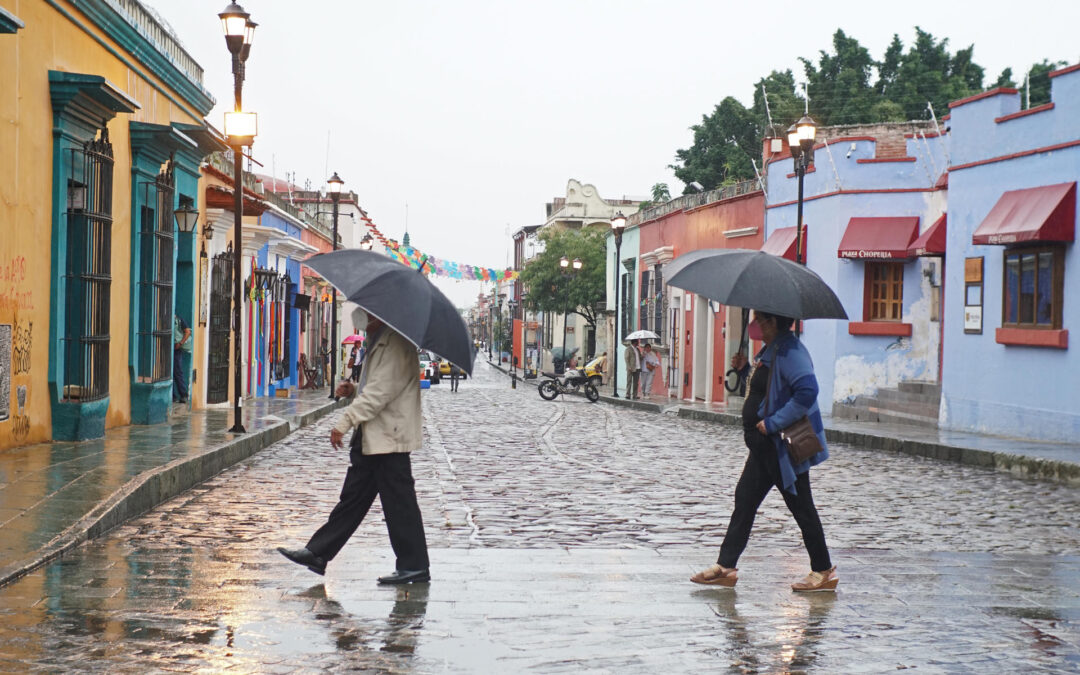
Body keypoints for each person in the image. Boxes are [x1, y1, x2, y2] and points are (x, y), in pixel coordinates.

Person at [279, 308, 430, 585]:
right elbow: (375, 387)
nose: (362, 322)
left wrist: (344, 421)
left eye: (367, 316)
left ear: (380, 317)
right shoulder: (382, 342)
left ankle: (414, 565)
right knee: (353, 499)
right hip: (374, 436)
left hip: (389, 438)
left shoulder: (395, 345)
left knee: (400, 504)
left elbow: (380, 393)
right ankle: (318, 553)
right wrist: (354, 389)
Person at [691, 310, 836, 592]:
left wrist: (772, 423)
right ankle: (726, 566)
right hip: (763, 447)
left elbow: (807, 392)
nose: (754, 324)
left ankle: (823, 570)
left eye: (759, 318)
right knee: (745, 499)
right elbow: (768, 388)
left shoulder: (792, 351)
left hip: (778, 446)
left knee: (802, 506)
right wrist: (746, 369)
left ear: (772, 322)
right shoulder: (772, 348)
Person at [172, 314, 191, 404]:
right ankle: (174, 396)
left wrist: (180, 343)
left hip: (176, 348)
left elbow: (187, 331)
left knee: (177, 372)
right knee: (168, 373)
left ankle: (183, 395)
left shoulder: (179, 320)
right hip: (171, 348)